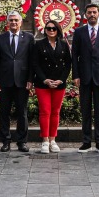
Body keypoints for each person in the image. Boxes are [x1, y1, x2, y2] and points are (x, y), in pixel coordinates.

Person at [71, 3, 99, 153]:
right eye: (89, 12)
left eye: (94, 12)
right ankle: (86, 141)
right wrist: (75, 75)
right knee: (85, 111)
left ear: (98, 14)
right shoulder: (79, 32)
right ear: (85, 15)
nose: (92, 15)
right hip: (84, 78)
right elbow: (74, 55)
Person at [0, 11, 34, 152]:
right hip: (4, 82)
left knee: (22, 112)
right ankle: (6, 141)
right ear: (7, 22)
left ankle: (22, 141)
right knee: (4, 112)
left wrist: (30, 79)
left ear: (21, 22)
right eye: (11, 20)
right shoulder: (0, 38)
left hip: (22, 82)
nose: (14, 23)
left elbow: (31, 61)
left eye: (16, 20)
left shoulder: (29, 38)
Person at [31, 19, 72, 153]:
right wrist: (45, 80)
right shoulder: (39, 44)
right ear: (45, 30)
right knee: (45, 111)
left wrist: (61, 79)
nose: (51, 31)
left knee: (55, 112)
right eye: (49, 28)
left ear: (58, 30)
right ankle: (45, 141)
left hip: (59, 83)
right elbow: (35, 64)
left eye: (54, 28)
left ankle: (53, 140)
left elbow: (68, 64)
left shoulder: (64, 45)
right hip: (43, 84)